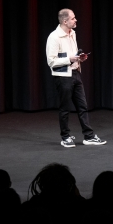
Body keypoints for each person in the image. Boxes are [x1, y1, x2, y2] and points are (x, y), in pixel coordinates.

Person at [46, 8, 106, 147]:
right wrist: (70, 59)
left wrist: (79, 59)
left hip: (75, 74)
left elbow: (72, 56)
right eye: (73, 18)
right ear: (65, 21)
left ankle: (88, 136)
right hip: (63, 77)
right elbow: (51, 61)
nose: (76, 20)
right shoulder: (54, 37)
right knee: (65, 108)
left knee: (82, 106)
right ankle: (65, 136)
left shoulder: (73, 33)